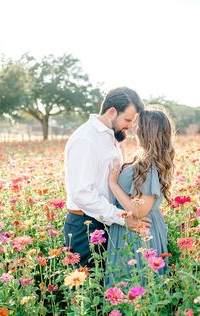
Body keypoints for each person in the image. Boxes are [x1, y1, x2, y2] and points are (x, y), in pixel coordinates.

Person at [63, 87, 152, 268]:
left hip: (106, 221)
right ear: (112, 111)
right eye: (127, 119)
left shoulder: (112, 137)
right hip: (85, 226)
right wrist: (122, 217)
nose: (129, 125)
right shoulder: (86, 140)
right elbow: (82, 194)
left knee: (107, 286)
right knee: (85, 289)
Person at [105, 107, 175, 286]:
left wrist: (113, 184)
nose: (132, 126)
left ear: (146, 129)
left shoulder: (147, 164)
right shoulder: (143, 158)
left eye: (137, 123)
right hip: (137, 227)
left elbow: (139, 210)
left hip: (137, 229)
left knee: (136, 285)